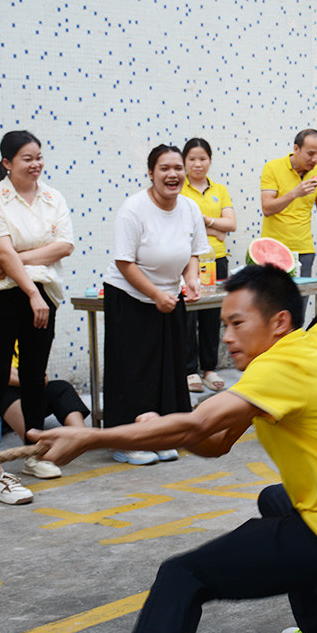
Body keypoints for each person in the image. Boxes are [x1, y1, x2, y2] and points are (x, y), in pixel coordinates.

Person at [29, 265, 317, 633]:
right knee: (275, 500)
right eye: (224, 324)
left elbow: (197, 428)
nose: (226, 336)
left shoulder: (282, 365)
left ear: (279, 321)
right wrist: (160, 430)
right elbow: (216, 441)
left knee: (182, 576)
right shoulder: (300, 353)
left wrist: (89, 438)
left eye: (237, 323)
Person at [102, 144, 208, 465]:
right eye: (164, 168)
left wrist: (191, 280)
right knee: (134, 371)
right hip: (130, 297)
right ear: (151, 173)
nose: (173, 174)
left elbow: (193, 252)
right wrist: (155, 294)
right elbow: (125, 262)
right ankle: (127, 442)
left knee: (169, 367)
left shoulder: (189, 207)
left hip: (168, 296)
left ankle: (163, 432)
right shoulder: (133, 209)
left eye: (178, 168)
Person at [0, 130, 74, 493]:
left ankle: (35, 454)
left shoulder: (52, 197)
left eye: (39, 157)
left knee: (33, 375)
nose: (35, 164)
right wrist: (30, 290)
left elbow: (64, 245)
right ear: (7, 163)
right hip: (7, 295)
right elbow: (1, 253)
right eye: (27, 158)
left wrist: (19, 258)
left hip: (45, 295)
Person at [180, 137, 237, 393]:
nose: (197, 164)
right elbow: (181, 228)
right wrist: (216, 227)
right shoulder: (178, 188)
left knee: (213, 317)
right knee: (188, 318)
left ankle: (209, 369)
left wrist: (204, 221)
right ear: (184, 162)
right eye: (192, 158)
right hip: (187, 263)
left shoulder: (219, 190)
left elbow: (231, 225)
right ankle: (189, 370)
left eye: (202, 158)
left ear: (210, 161)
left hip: (217, 262)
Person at [0, 342, 91, 497]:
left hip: (30, 388)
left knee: (62, 388)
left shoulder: (21, 337)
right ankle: (34, 451)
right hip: (8, 395)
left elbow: (39, 371)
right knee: (6, 396)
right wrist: (32, 379)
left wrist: (35, 379)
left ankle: (82, 438)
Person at [260, 129, 317, 277]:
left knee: (300, 299)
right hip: (273, 248)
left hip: (304, 250)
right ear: (296, 149)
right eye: (310, 153)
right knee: (273, 299)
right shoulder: (272, 168)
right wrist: (294, 194)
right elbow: (267, 208)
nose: (315, 159)